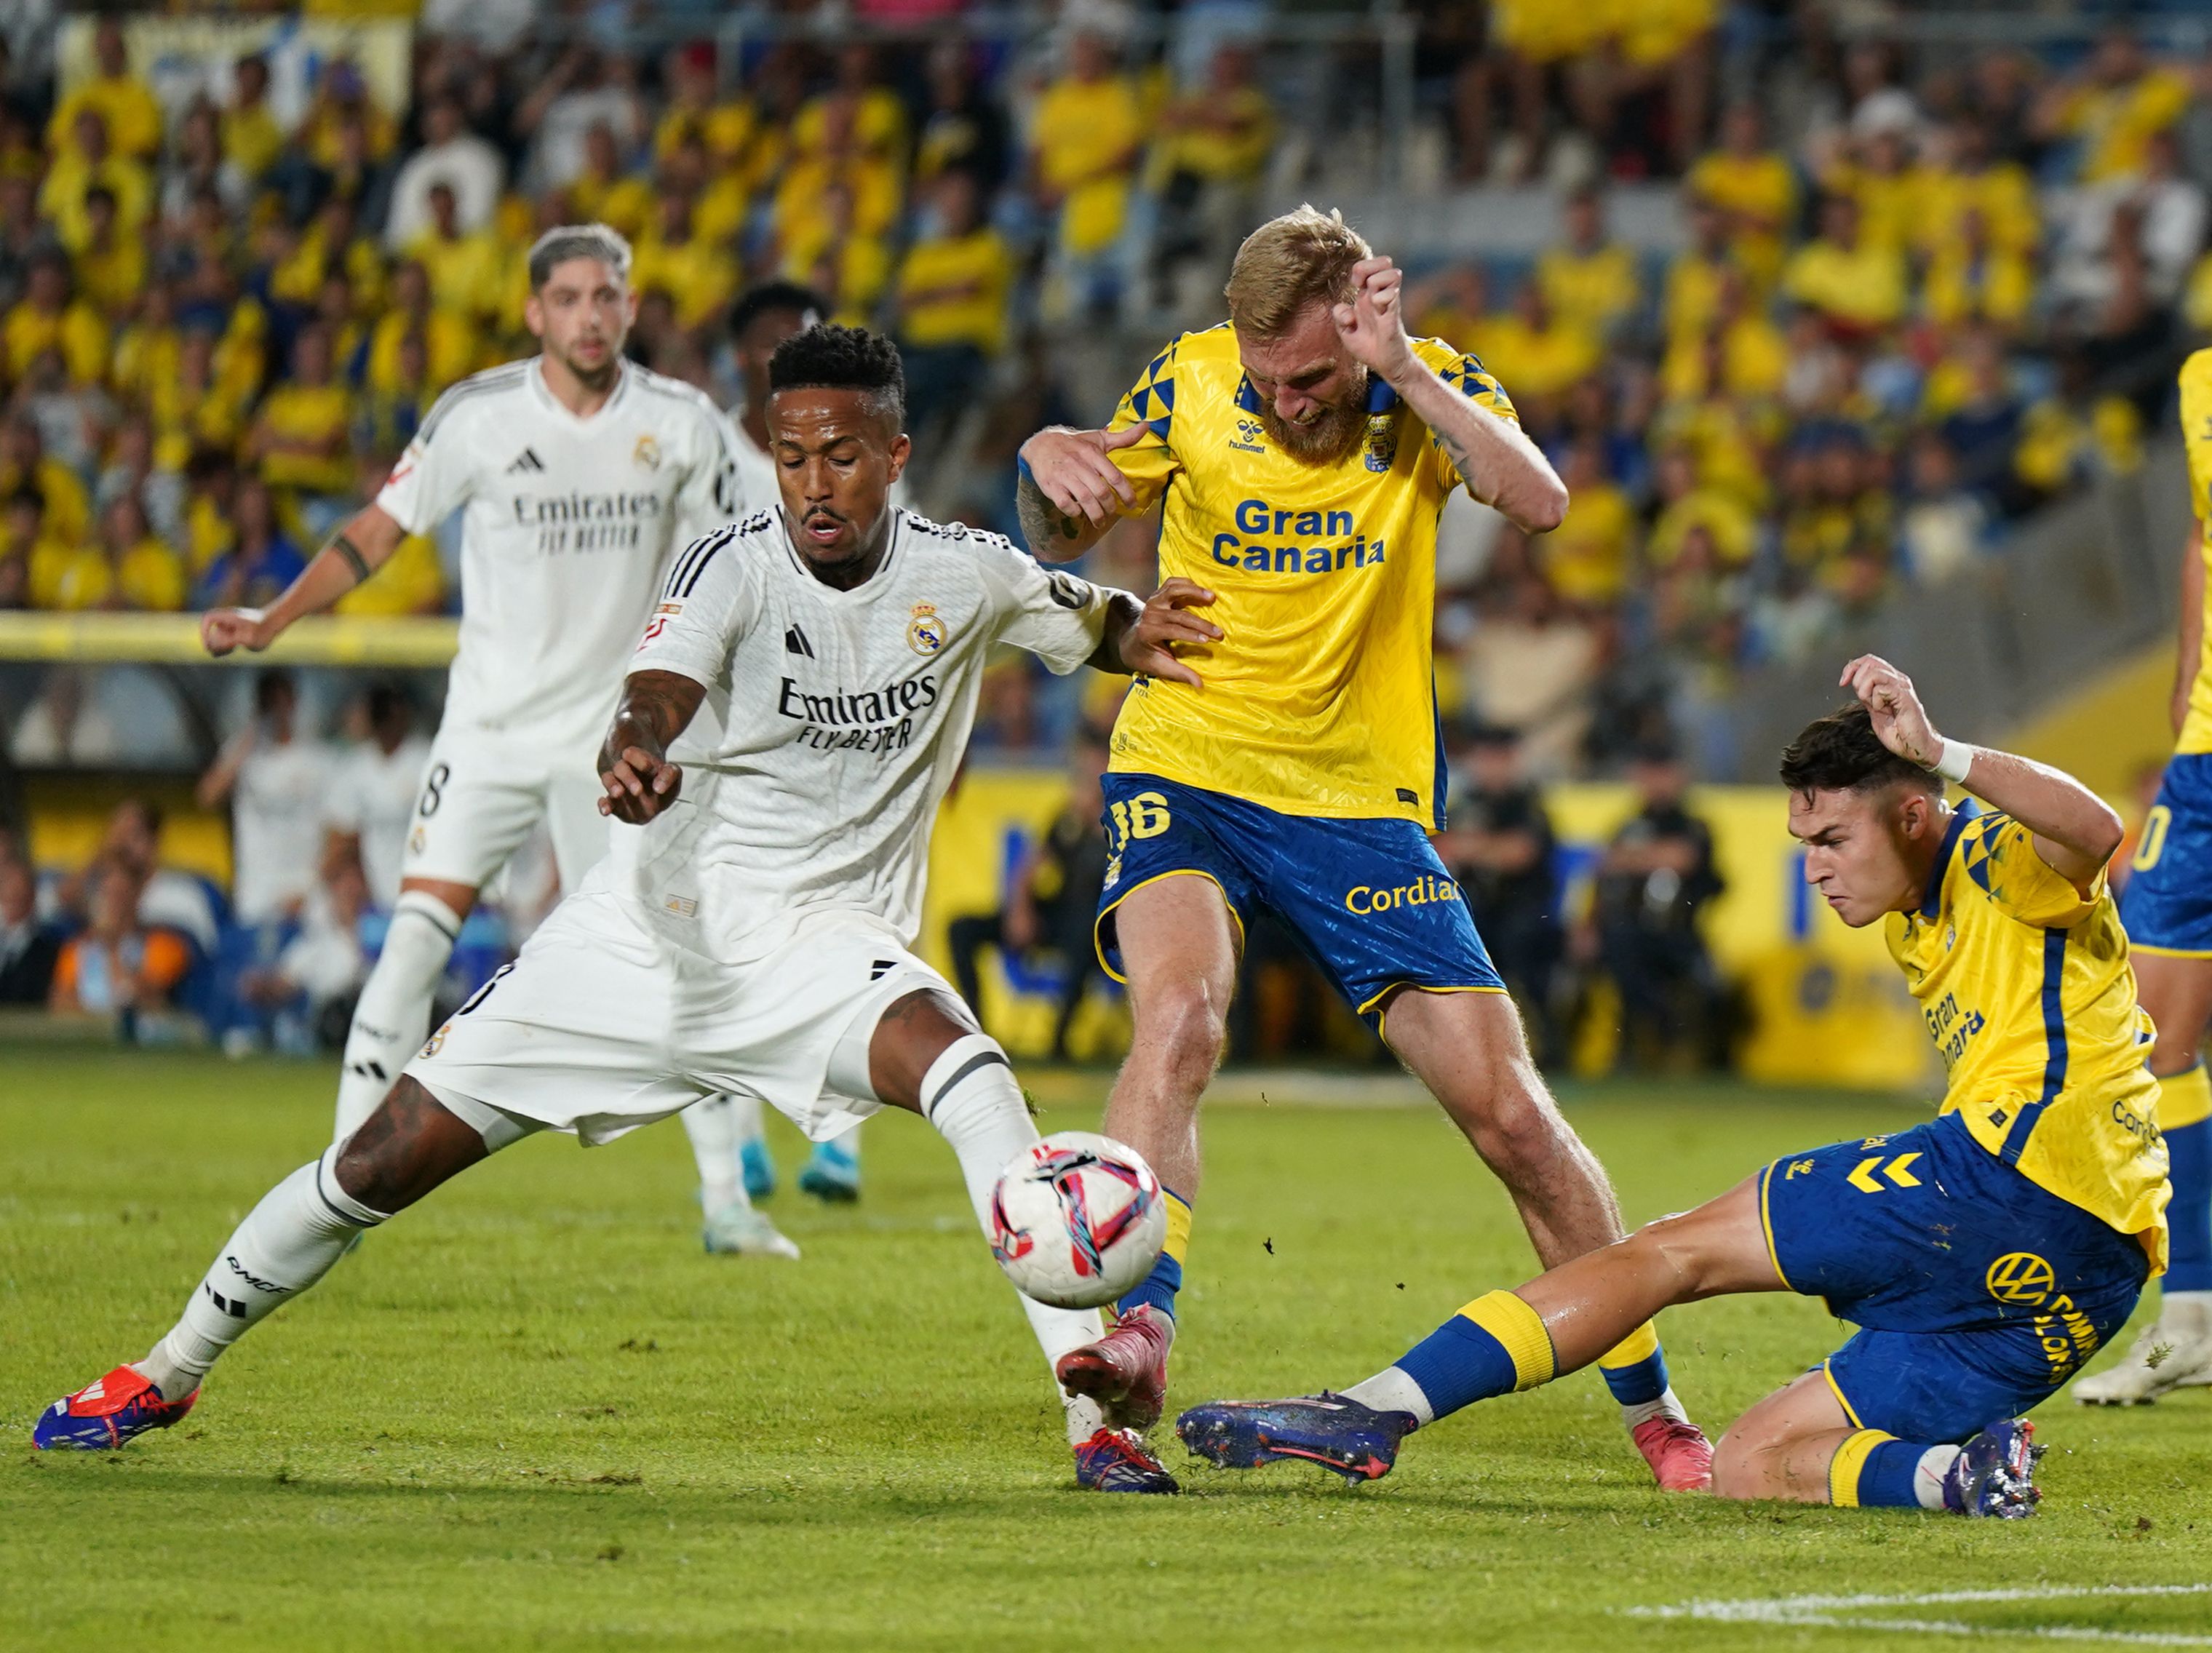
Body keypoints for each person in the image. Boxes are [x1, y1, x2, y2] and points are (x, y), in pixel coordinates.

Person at [33, 323, 1206, 1496]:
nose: (813, 484)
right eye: (790, 456)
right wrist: (636, 749)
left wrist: (1141, 631)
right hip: (644, 938)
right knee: (375, 1162)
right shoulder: (731, 567)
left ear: (896, 454)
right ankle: (169, 1369)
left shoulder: (965, 571)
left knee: (972, 1077)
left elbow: (1092, 622)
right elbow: (654, 691)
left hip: (822, 951)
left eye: (841, 456)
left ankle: (1098, 1428)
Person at [1013, 204, 1711, 1489]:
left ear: (1358, 322)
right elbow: (1065, 525)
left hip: (1355, 799)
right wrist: (1043, 459)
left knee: (1511, 1119)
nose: (1287, 406)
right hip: (1189, 758)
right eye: (1268, 381)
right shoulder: (1189, 375)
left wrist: (1397, 371)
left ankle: (1657, 1410)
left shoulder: (1422, 384)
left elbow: (1539, 500)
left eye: (1317, 380)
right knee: (1180, 1020)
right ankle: (1139, 1336)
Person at [1178, 658, 2167, 1519]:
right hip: (2089, 1279)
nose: (1816, 869)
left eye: (1831, 841)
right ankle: (1962, 1478)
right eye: (1802, 846)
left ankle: (1374, 1411)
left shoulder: (1998, 860)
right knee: (1752, 1462)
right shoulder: (1915, 902)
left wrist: (1941, 748)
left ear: (1913, 813)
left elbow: (2091, 826)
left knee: (1668, 1253)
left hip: (2014, 1176)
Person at [709, 275, 873, 1211]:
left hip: (838, 724)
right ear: (742, 356)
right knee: (720, 935)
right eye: (777, 342)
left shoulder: (850, 453)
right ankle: (736, 1144)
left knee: (846, 933)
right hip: (726, 731)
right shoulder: (701, 452)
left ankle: (837, 1144)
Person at [2073, 347, 2212, 1401]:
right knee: (2159, 1037)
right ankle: (2194, 1319)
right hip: (2207, 767)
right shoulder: (2200, 379)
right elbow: (2203, 539)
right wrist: (2184, 681)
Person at [947, 725, 1113, 1059]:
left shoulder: (1120, 819)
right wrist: (1020, 911)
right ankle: (976, 1031)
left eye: (1093, 766)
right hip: (1061, 915)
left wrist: (1096, 819)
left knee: (1084, 932)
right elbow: (1031, 865)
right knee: (961, 928)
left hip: (1101, 924)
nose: (1085, 775)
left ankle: (1059, 1043)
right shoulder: (1068, 819)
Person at [1588, 740, 1726, 1072]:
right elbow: (1602, 872)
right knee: (1618, 948)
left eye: (1662, 773)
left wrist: (1628, 858)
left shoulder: (1692, 824)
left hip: (1679, 934)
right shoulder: (1626, 825)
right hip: (1627, 931)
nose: (1655, 782)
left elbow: (1683, 858)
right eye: (1648, 773)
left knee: (1710, 991)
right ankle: (1640, 1039)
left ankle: (1683, 1043)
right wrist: (1588, 926)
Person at [1434, 722, 1563, 1068]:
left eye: (1499, 758)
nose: (1491, 766)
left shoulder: (1527, 804)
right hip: (1475, 910)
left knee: (1521, 944)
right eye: (1485, 757)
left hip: (1524, 911)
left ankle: (1545, 1046)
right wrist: (1486, 848)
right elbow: (1439, 850)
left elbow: (1521, 854)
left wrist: (1471, 848)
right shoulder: (1463, 804)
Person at [195, 670, 333, 929]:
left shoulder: (316, 758)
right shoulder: (243, 753)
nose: (276, 710)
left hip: (304, 890)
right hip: (256, 891)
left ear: (294, 702)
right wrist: (248, 737)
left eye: (281, 700)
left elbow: (334, 831)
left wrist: (312, 887)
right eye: (268, 702)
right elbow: (207, 797)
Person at [0, 847, 59, 1004]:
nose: (14, 894)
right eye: (8, 887)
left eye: (20, 890)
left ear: (31, 897)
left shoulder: (46, 948)